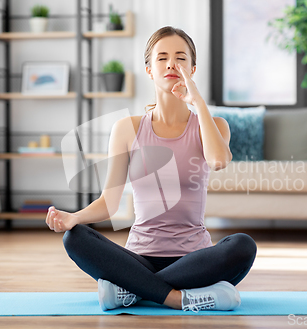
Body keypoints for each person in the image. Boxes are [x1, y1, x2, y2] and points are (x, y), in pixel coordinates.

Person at [45, 26, 257, 313]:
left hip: (195, 259)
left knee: (243, 246)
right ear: (149, 69)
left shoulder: (214, 126)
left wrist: (197, 102)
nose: (172, 64)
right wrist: (73, 218)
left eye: (180, 58)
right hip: (138, 258)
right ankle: (179, 298)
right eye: (162, 58)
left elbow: (218, 161)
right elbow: (108, 203)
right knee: (75, 237)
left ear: (192, 69)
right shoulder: (127, 128)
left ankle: (132, 290)